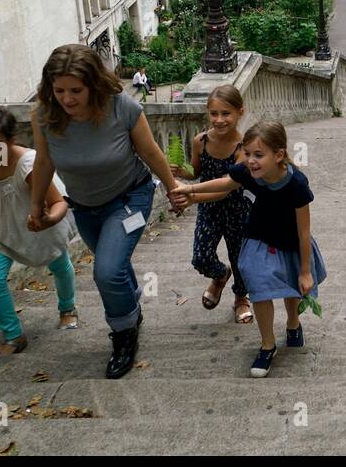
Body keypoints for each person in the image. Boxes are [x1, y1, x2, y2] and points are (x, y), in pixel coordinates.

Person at [29, 43, 183, 379]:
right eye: (59, 91)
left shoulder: (122, 109)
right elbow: (43, 162)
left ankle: (125, 335)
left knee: (107, 271)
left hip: (131, 199)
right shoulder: (44, 117)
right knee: (114, 266)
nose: (66, 99)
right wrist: (36, 204)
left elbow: (153, 154)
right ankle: (130, 307)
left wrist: (173, 190)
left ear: (93, 85)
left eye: (75, 91)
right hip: (85, 207)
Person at [171, 122, 326, 378]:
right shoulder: (247, 172)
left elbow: (304, 232)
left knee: (291, 288)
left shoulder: (296, 184)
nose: (250, 161)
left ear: (278, 155)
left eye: (258, 155)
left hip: (291, 243)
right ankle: (267, 344)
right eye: (247, 154)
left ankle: (293, 323)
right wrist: (190, 189)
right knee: (259, 285)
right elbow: (225, 183)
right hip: (258, 238)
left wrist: (306, 271)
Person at [0, 107, 78, 355]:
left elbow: (59, 202)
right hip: (2, 230)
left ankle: (67, 308)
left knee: (59, 266)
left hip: (41, 226)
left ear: (10, 141)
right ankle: (13, 335)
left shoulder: (28, 164)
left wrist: (47, 221)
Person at [185, 85, 253, 322]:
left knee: (240, 260)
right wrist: (180, 172)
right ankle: (220, 275)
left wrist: (190, 196)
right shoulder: (200, 141)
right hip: (208, 210)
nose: (219, 119)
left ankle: (241, 298)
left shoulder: (245, 147)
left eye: (226, 113)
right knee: (201, 256)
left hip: (238, 210)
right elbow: (195, 172)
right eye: (214, 114)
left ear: (240, 112)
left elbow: (225, 187)